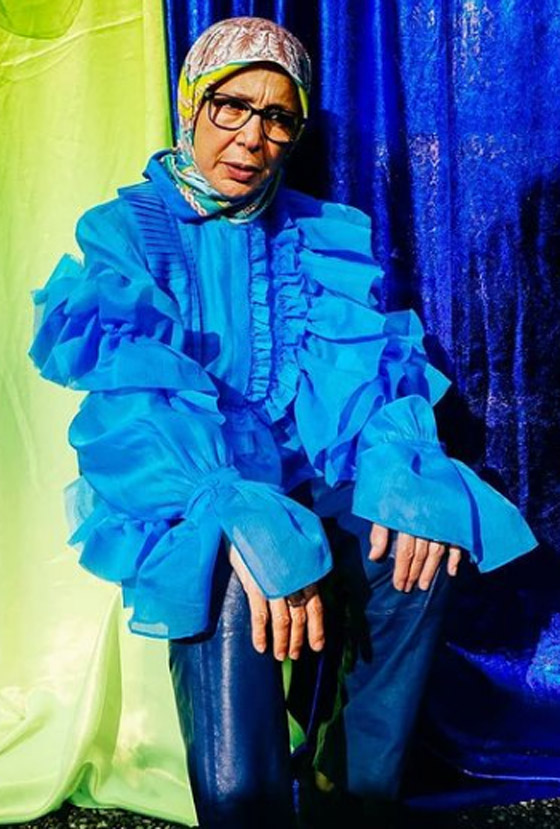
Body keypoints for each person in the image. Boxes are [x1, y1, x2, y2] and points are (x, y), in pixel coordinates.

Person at [29, 16, 536, 829]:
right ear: (191, 104)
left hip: (310, 483)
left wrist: (402, 472)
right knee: (227, 569)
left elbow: (371, 377)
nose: (252, 136)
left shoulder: (313, 229)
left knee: (418, 536)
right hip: (194, 491)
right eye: (232, 106)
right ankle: (249, 809)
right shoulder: (128, 232)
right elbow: (138, 408)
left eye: (277, 116)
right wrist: (234, 505)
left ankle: (350, 795)